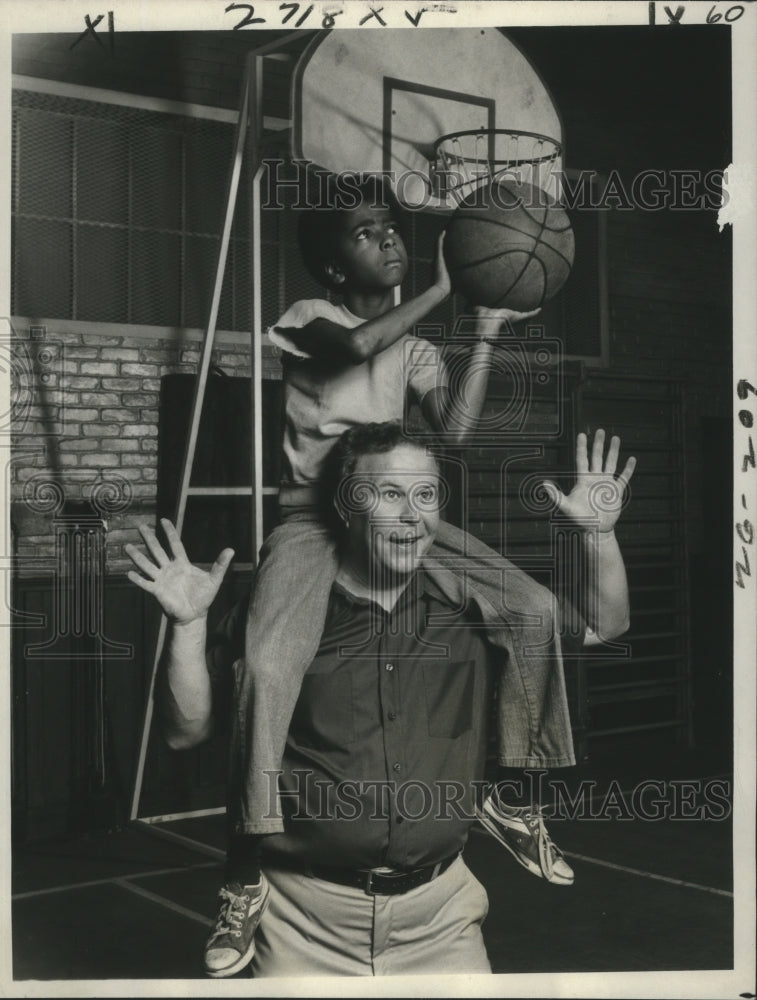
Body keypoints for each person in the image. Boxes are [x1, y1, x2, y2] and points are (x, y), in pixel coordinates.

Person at [131, 172, 578, 977]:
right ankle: (242, 873)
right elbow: (356, 348)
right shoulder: (311, 319)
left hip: (387, 512)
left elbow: (459, 432)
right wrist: (445, 285)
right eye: (367, 232)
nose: (390, 240)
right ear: (333, 268)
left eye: (391, 228)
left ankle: (512, 795)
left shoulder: (413, 345)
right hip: (312, 523)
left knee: (531, 607)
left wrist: (481, 331)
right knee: (268, 666)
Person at [126, 421, 635, 976]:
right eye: (390, 494)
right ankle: (242, 876)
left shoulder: (472, 605)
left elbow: (604, 626)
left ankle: (511, 805)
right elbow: (185, 731)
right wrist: (189, 624)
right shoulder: (281, 613)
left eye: (425, 495)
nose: (412, 516)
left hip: (442, 918)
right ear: (346, 507)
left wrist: (598, 536)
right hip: (301, 924)